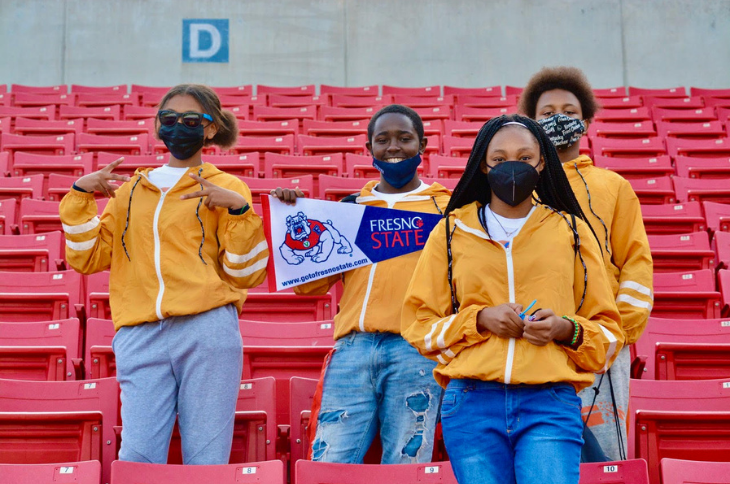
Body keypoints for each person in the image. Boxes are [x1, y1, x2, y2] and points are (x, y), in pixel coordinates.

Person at [401, 114, 624, 484]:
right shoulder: (451, 231)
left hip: (549, 401)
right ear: (483, 166)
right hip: (471, 401)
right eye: (500, 159)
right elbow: (419, 327)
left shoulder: (572, 229)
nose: (513, 167)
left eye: (524, 157)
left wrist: (565, 330)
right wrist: (478, 320)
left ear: (541, 163)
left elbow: (609, 334)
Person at [59, 84, 269, 465]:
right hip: (139, 332)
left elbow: (247, 274)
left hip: (207, 329)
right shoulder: (131, 190)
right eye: (169, 119)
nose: (178, 127)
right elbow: (88, 259)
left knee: (207, 456)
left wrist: (239, 211)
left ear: (210, 129)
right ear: (157, 126)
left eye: (192, 120)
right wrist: (79, 199)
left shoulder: (227, 186)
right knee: (138, 456)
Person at [272, 105, 451, 464]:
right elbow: (309, 286)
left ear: (423, 144)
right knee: (329, 462)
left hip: (415, 349)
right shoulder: (349, 208)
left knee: (407, 463)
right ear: (369, 148)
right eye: (382, 140)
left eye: (404, 138)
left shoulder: (447, 210)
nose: (393, 147)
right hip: (352, 349)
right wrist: (291, 219)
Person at [519, 66, 654, 461]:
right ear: (530, 123)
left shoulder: (614, 187)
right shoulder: (517, 187)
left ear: (586, 122)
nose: (557, 118)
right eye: (546, 113)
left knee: (604, 456)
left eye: (568, 110)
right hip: (538, 337)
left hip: (602, 340)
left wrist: (620, 330)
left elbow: (635, 262)